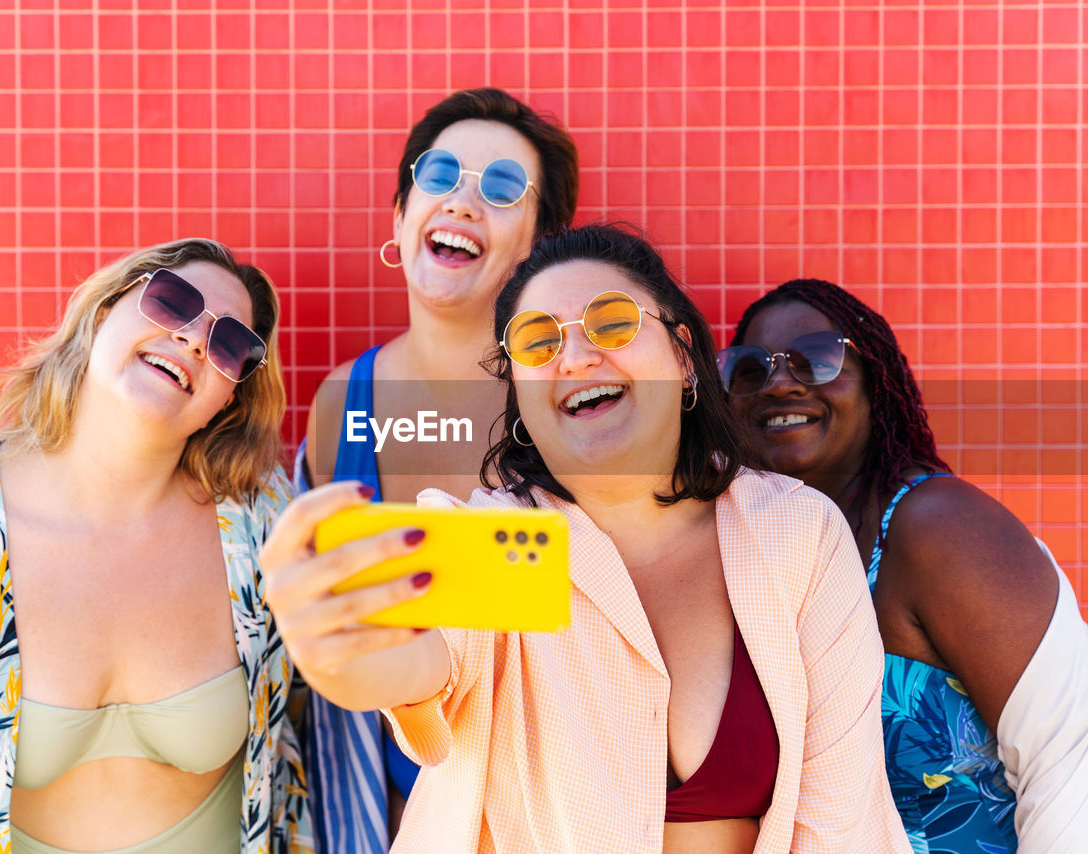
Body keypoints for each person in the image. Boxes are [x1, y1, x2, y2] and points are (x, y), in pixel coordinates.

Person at [266, 225, 909, 853]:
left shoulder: (796, 531)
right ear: (519, 393)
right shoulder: (496, 542)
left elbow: (837, 820)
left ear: (683, 356)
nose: (574, 356)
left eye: (612, 324)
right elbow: (414, 668)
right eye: (537, 343)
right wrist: (336, 647)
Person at [0, 239, 312, 854]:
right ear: (105, 311)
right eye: (172, 302)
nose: (191, 340)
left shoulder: (264, 525)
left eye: (229, 343)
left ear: (227, 397)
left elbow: (309, 701)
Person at [722, 278, 1088, 853]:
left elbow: (1068, 776)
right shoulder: (758, 556)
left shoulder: (940, 530)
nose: (778, 384)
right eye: (749, 369)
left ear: (877, 385)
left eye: (815, 359)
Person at [297, 87, 580, 851]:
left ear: (535, 243)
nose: (462, 201)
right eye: (440, 175)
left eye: (500, 189)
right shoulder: (341, 402)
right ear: (400, 215)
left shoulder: (575, 407)